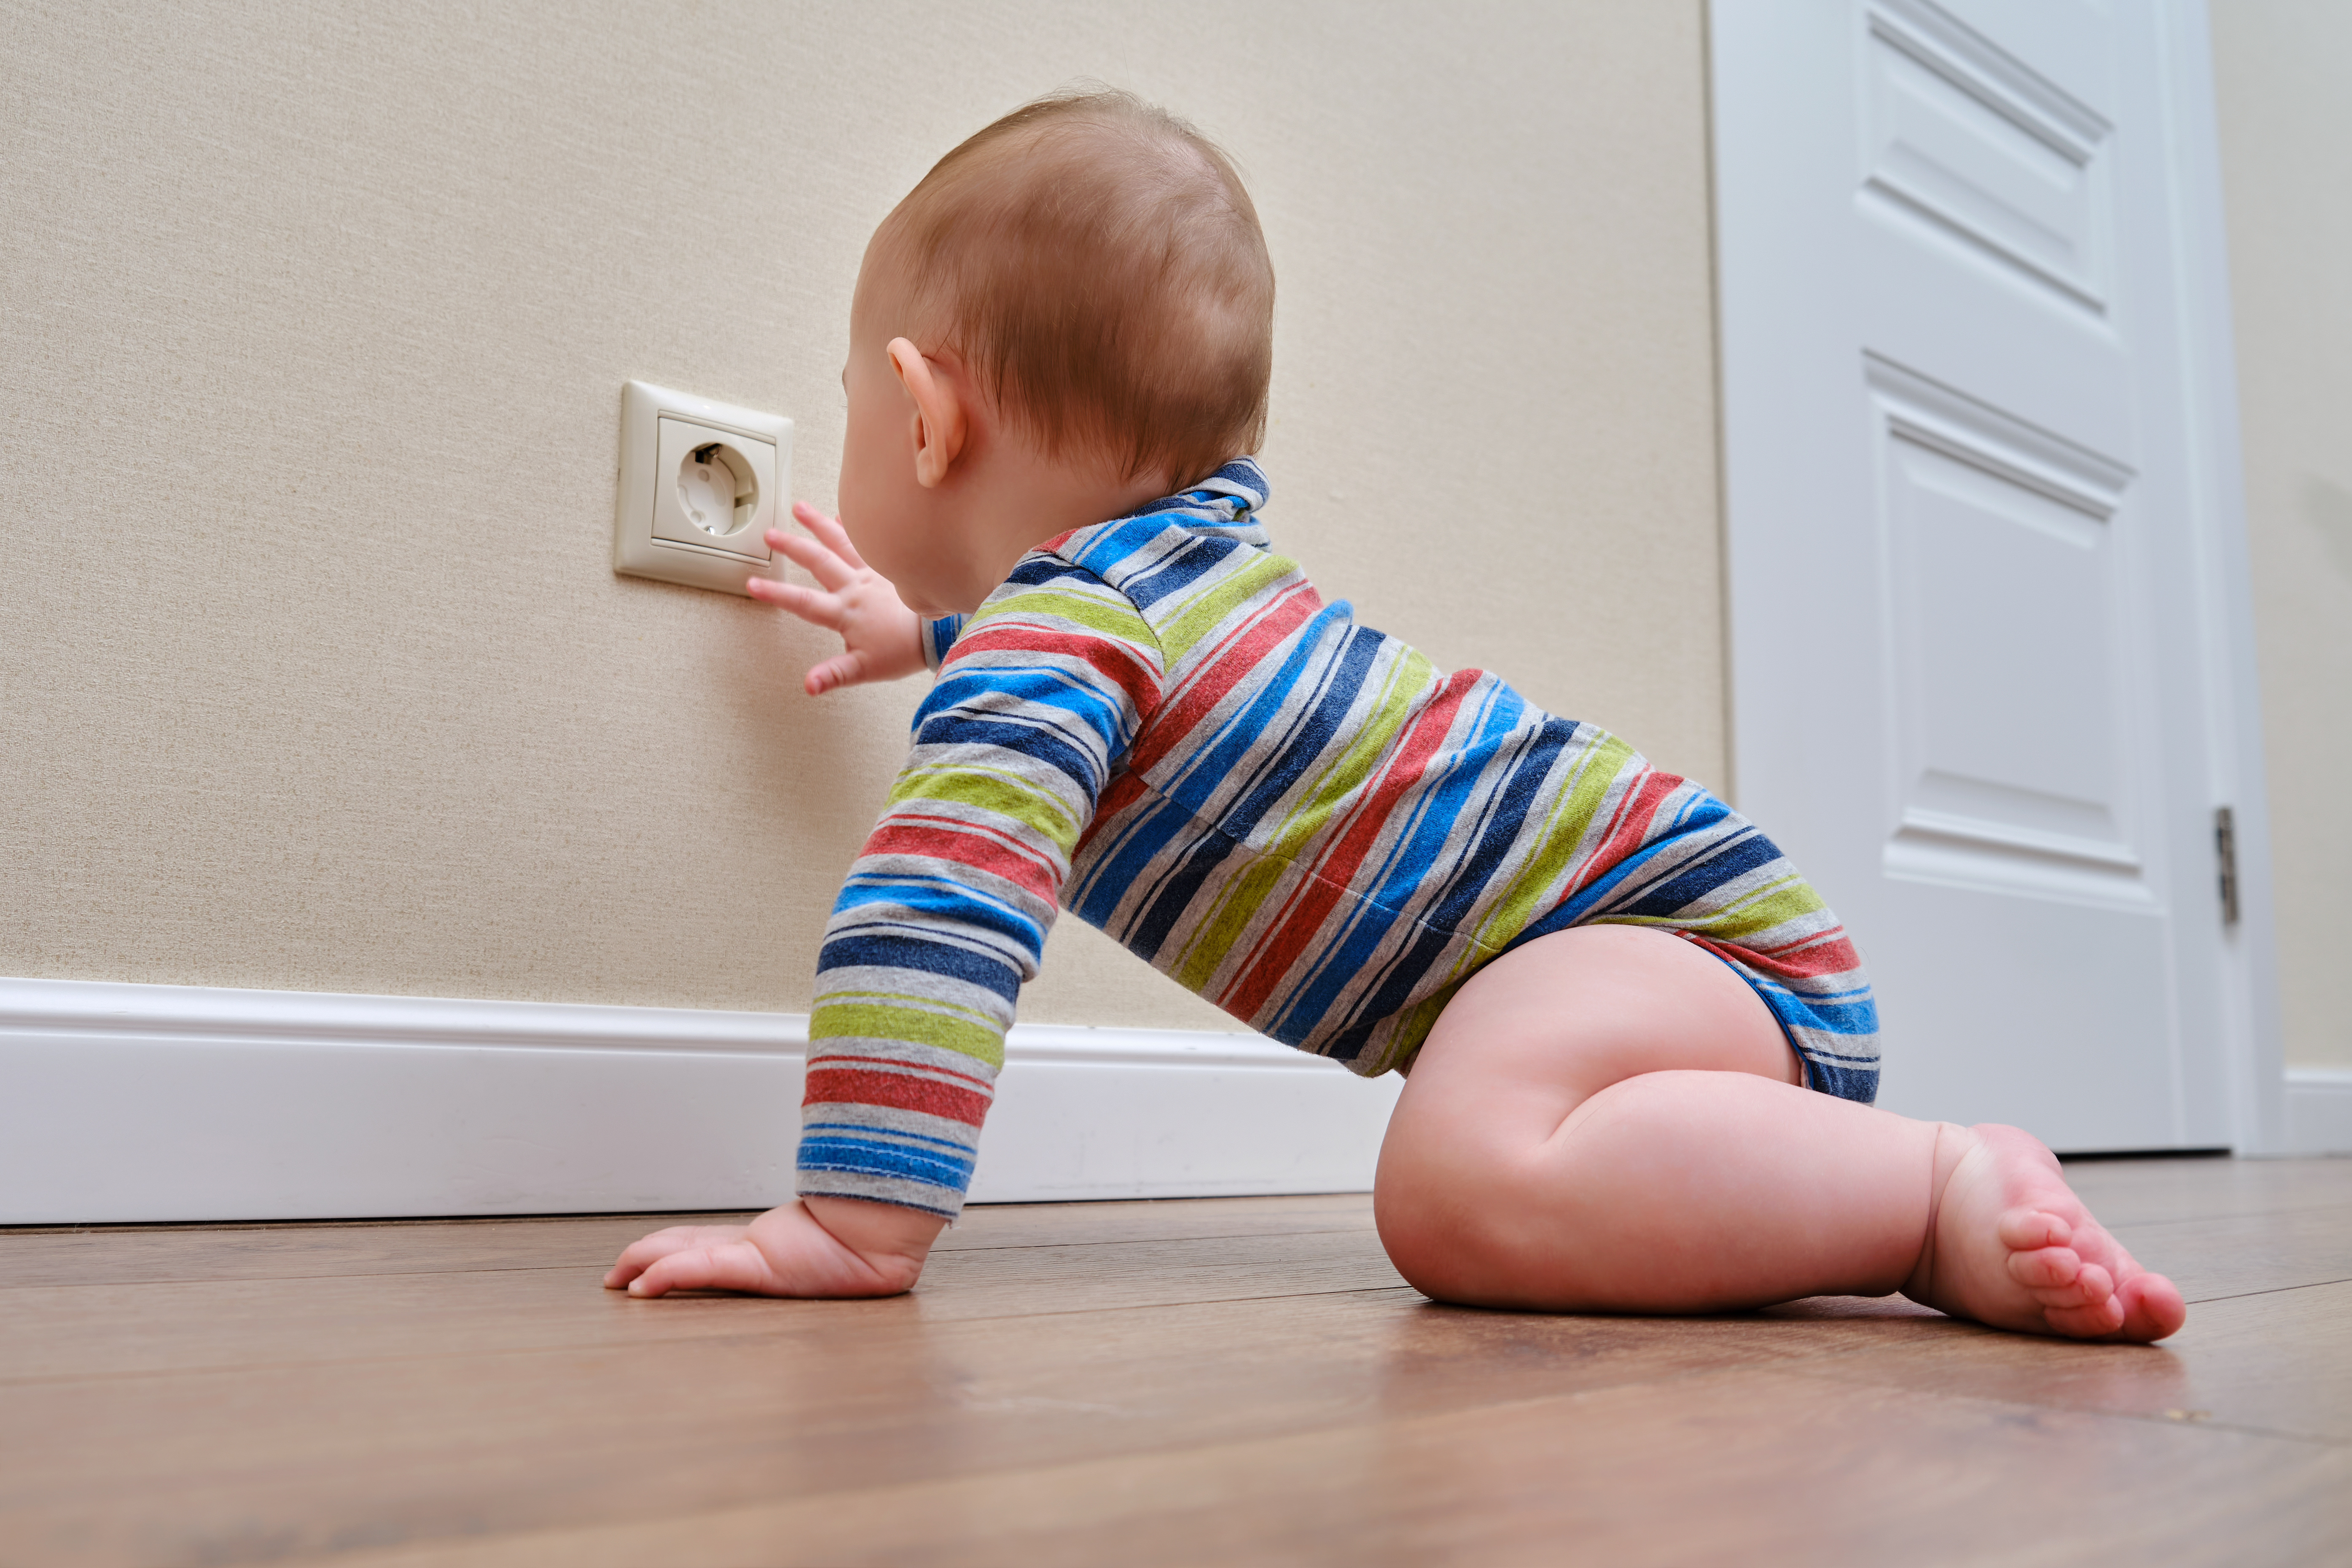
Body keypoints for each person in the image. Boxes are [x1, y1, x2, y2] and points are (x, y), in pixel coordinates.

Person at [605, 89, 2185, 1341]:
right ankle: (1793, 1192)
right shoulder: (1144, 594)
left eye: (852, 397)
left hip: (1683, 953)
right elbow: (1103, 691)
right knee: (1481, 1150)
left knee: (1453, 1188)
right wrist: (926, 639)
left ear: (928, 415)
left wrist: (853, 1214)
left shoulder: (1062, 638)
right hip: (1697, 956)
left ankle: (1929, 1195)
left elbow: (942, 898)